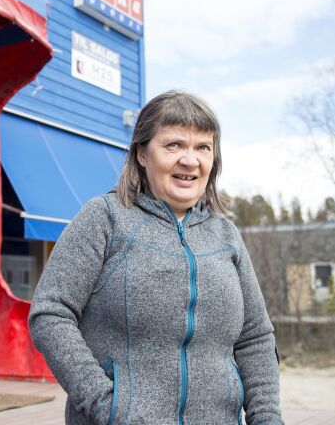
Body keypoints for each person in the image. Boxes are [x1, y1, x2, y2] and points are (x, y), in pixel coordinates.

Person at [29, 90, 283, 425]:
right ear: (142, 154)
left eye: (202, 147)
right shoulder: (104, 219)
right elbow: (50, 314)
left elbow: (255, 337)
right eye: (173, 145)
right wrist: (107, 407)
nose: (190, 160)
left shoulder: (227, 236)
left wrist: (267, 418)